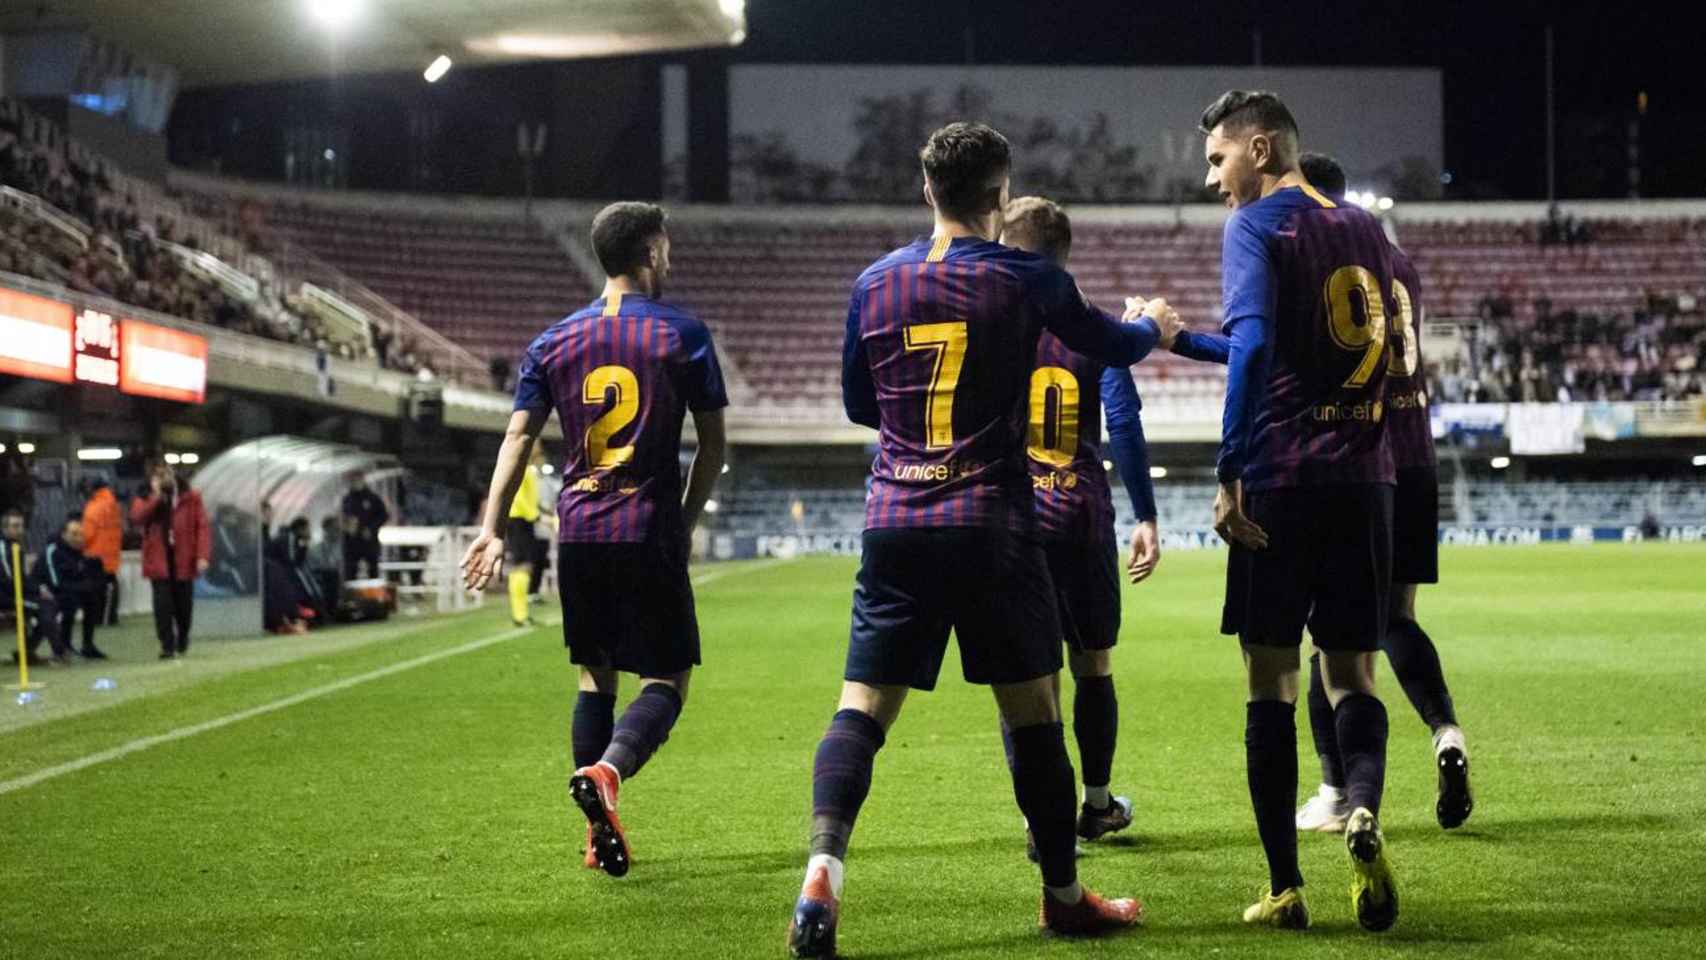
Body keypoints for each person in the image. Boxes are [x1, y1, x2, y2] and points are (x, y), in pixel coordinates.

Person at [787, 122, 1178, 957]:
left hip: (894, 519)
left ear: (927, 192)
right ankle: (1065, 895)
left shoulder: (874, 283)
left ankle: (824, 869)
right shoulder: (1027, 278)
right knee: (1035, 711)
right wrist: (1155, 326)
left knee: (861, 709)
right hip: (993, 523)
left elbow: (862, 405)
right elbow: (1111, 345)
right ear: (1002, 195)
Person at [1180, 90, 1399, 932]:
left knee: (1269, 678)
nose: (1213, 180)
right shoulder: (1364, 228)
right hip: (1365, 479)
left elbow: (1256, 350)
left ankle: (1286, 887)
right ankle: (1363, 808)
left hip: (1282, 479)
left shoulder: (1257, 226)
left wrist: (1230, 467)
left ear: (1262, 149)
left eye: (1217, 159)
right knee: (1351, 672)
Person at [459, 200, 728, 881]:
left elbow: (518, 438)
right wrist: (685, 521)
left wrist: (488, 528)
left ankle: (593, 833)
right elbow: (715, 447)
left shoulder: (552, 342)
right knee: (667, 677)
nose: (669, 258)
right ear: (648, 254)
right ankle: (608, 772)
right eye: (664, 248)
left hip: (579, 533)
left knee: (593, 678)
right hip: (646, 528)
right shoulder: (683, 334)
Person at [1285, 153, 1474, 836]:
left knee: (1326, 638)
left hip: (1363, 460)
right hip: (1418, 454)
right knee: (1397, 618)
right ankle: (1445, 729)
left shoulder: (1328, 259)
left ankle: (1338, 790)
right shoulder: (1402, 264)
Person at [997, 196, 1163, 859]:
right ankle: (1095, 804)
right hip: (1083, 514)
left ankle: (1043, 820)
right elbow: (1122, 423)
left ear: (1011, 248)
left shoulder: (990, 321)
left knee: (1028, 680)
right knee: (1092, 661)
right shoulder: (1091, 325)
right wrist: (1147, 514)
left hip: (1011, 518)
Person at [130, 464, 211, 659]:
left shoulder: (191, 498)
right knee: (162, 606)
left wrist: (202, 555)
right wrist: (156, 498)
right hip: (159, 561)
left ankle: (182, 636)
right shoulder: (145, 497)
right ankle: (167, 645)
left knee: (184, 607)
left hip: (183, 559)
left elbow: (202, 526)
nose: (162, 481)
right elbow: (137, 517)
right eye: (158, 478)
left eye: (165, 477)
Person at [37, 514, 106, 660]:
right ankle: (65, 644)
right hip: (44, 592)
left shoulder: (78, 552)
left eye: (81, 534)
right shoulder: (52, 551)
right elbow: (55, 583)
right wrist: (82, 587)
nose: (79, 538)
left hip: (67, 590)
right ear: (63, 535)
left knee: (91, 598)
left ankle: (88, 645)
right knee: (69, 601)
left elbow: (80, 576)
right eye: (74, 534)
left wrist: (90, 585)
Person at [1, 507, 63, 666]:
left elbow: (20, 577)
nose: (20, 530)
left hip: (15, 593)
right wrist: (36, 590)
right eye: (15, 526)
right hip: (6, 597)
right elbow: (9, 580)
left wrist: (38, 588)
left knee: (50, 604)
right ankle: (58, 653)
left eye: (21, 526)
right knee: (46, 606)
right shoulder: (3, 548)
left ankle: (27, 651)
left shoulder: (15, 546)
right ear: (5, 528)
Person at [504, 445, 545, 627]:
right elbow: (518, 496)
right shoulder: (522, 468)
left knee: (524, 566)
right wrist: (533, 514)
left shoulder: (527, 469)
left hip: (522, 519)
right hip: (520, 519)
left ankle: (521, 613)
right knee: (522, 565)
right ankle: (519, 615)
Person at [80, 477, 123, 627]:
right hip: (112, 553)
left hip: (95, 554)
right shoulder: (113, 504)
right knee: (111, 585)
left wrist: (79, 544)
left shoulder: (94, 506)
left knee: (96, 590)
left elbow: (87, 533)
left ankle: (97, 618)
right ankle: (111, 617)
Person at [340, 472, 389, 580]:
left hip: (369, 540)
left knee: (372, 568)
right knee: (351, 569)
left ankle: (373, 594)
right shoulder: (347, 499)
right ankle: (351, 593)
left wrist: (371, 528)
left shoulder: (373, 498)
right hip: (352, 541)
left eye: (356, 480)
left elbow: (384, 515)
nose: (354, 483)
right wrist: (347, 527)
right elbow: (343, 516)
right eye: (352, 481)